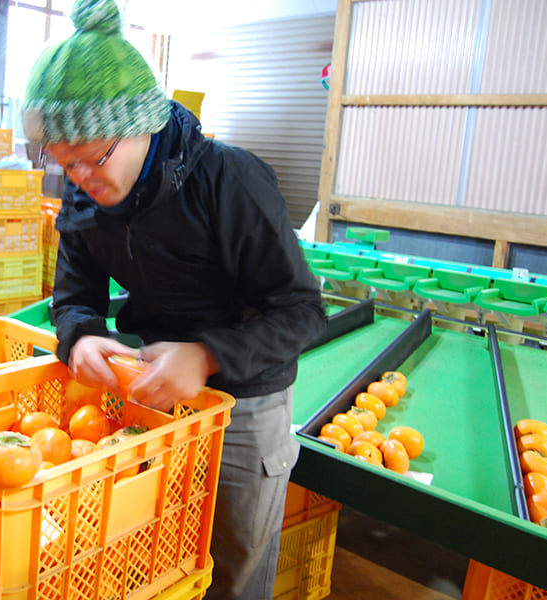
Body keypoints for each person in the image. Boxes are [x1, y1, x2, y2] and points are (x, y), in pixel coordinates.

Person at [22, 0, 327, 598]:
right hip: (154, 396)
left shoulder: (230, 182)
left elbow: (302, 313)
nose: (79, 178)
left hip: (245, 400)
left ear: (142, 124)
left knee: (234, 565)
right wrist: (80, 333)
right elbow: (72, 294)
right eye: (63, 165)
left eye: (91, 159)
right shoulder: (87, 196)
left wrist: (206, 356)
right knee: (154, 556)